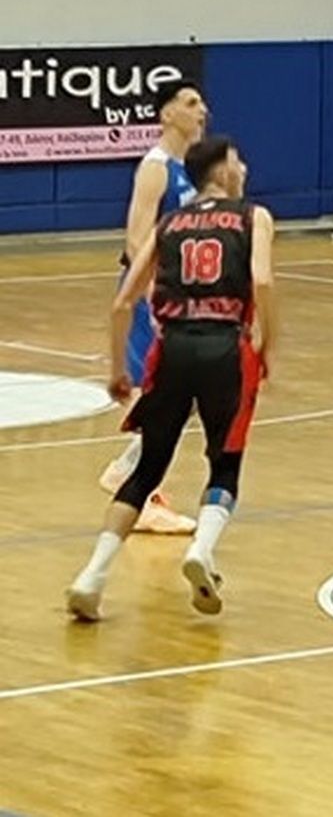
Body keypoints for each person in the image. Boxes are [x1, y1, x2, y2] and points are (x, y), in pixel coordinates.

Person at [68, 136, 277, 621]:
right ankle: (201, 551)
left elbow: (122, 302)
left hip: (172, 351)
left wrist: (118, 370)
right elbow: (263, 281)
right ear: (221, 171)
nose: (244, 169)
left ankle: (91, 577)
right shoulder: (254, 217)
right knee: (224, 464)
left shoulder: (168, 224)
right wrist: (267, 342)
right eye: (237, 161)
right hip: (226, 347)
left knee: (146, 471)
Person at [97, 80, 208, 536]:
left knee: (185, 395)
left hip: (183, 293)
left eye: (201, 102)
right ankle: (141, 493)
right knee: (164, 394)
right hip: (153, 294)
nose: (202, 110)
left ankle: (127, 471)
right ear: (166, 114)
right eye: (191, 103)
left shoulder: (191, 169)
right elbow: (136, 238)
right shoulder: (156, 167)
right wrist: (157, 294)